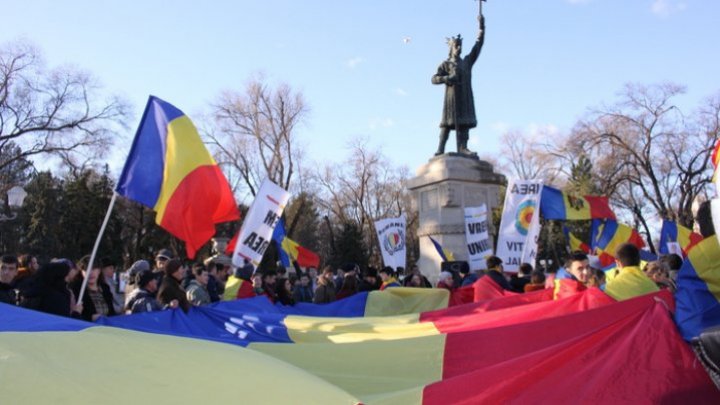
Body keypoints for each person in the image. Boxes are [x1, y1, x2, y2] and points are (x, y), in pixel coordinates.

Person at [432, 15, 485, 156]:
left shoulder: (466, 62)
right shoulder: (446, 64)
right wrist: (447, 78)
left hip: (464, 97)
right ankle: (440, 148)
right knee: (447, 123)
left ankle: (463, 147)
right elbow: (434, 78)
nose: (459, 48)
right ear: (451, 47)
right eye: (456, 45)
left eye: (460, 45)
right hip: (451, 99)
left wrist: (481, 28)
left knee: (464, 122)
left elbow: (477, 47)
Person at [70, 256, 117, 321]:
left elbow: (112, 312)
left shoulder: (105, 288)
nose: (90, 273)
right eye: (86, 269)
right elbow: (73, 317)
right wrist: (90, 318)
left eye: (94, 269)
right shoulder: (77, 290)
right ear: (81, 272)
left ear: (99, 270)